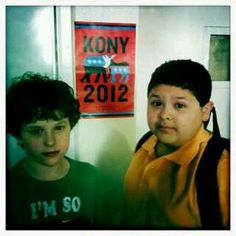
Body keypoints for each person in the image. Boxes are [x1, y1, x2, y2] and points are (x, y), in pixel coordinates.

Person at [123, 60, 230, 229]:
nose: (165, 114)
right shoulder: (145, 143)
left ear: (205, 111)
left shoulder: (221, 167)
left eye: (179, 105)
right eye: (156, 103)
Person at [6, 72, 98, 229]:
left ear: (70, 126)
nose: (50, 142)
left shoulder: (91, 176)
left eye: (59, 127)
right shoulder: (9, 188)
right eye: (37, 131)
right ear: (18, 135)